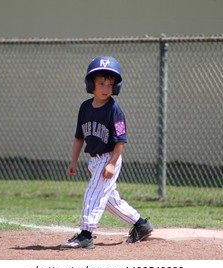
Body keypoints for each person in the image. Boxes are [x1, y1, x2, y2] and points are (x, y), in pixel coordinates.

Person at [60, 56, 153, 249]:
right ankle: (141, 224)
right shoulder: (85, 107)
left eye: (110, 84)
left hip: (109, 158)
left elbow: (120, 142)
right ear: (91, 84)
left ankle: (86, 235)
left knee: (92, 193)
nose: (105, 88)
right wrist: (74, 161)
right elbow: (79, 137)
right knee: (110, 201)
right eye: (101, 83)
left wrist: (111, 163)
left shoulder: (114, 109)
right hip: (94, 162)